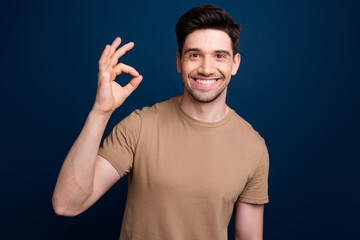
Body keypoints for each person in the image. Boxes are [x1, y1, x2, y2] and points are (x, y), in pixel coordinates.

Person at [52, 4, 269, 240]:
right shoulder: (140, 125)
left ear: (235, 63)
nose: (206, 69)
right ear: (179, 61)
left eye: (219, 56)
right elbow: (67, 204)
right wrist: (100, 112)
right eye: (194, 55)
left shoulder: (253, 147)